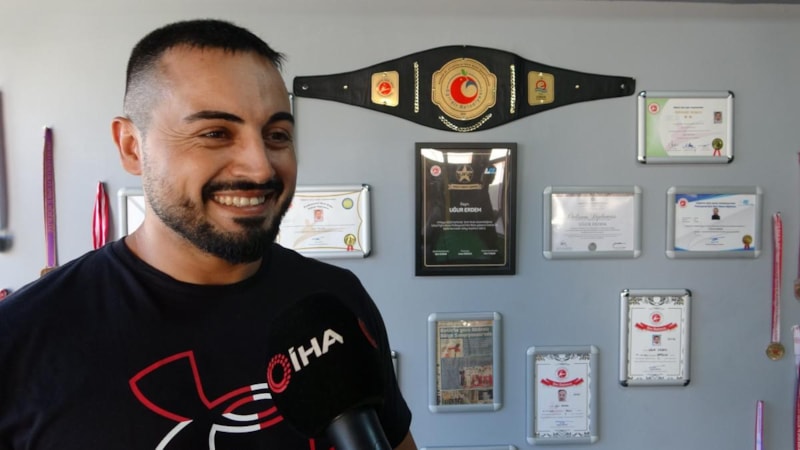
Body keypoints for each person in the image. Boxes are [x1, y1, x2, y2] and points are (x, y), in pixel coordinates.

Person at [0, 19, 416, 450]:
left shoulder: (335, 298)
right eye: (215, 133)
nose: (261, 167)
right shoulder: (20, 339)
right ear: (131, 147)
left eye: (277, 135)